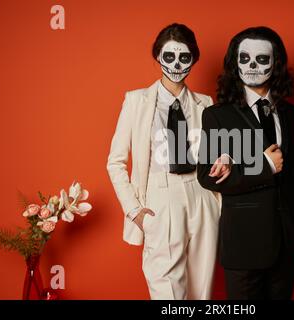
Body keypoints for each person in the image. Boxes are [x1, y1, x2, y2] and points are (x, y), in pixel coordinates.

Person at [197, 26, 294, 299]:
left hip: (289, 241)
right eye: (244, 58)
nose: (252, 66)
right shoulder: (218, 116)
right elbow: (208, 176)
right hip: (244, 244)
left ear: (276, 64)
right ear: (234, 64)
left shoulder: (291, 113)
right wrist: (266, 167)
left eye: (262, 59)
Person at [107, 23, 220, 300]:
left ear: (194, 59)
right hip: (160, 197)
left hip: (202, 194)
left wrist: (218, 205)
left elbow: (216, 154)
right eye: (169, 56)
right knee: (167, 290)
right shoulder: (136, 102)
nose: (176, 64)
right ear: (157, 56)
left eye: (184, 57)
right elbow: (115, 162)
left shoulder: (206, 103)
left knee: (201, 288)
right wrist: (135, 210)